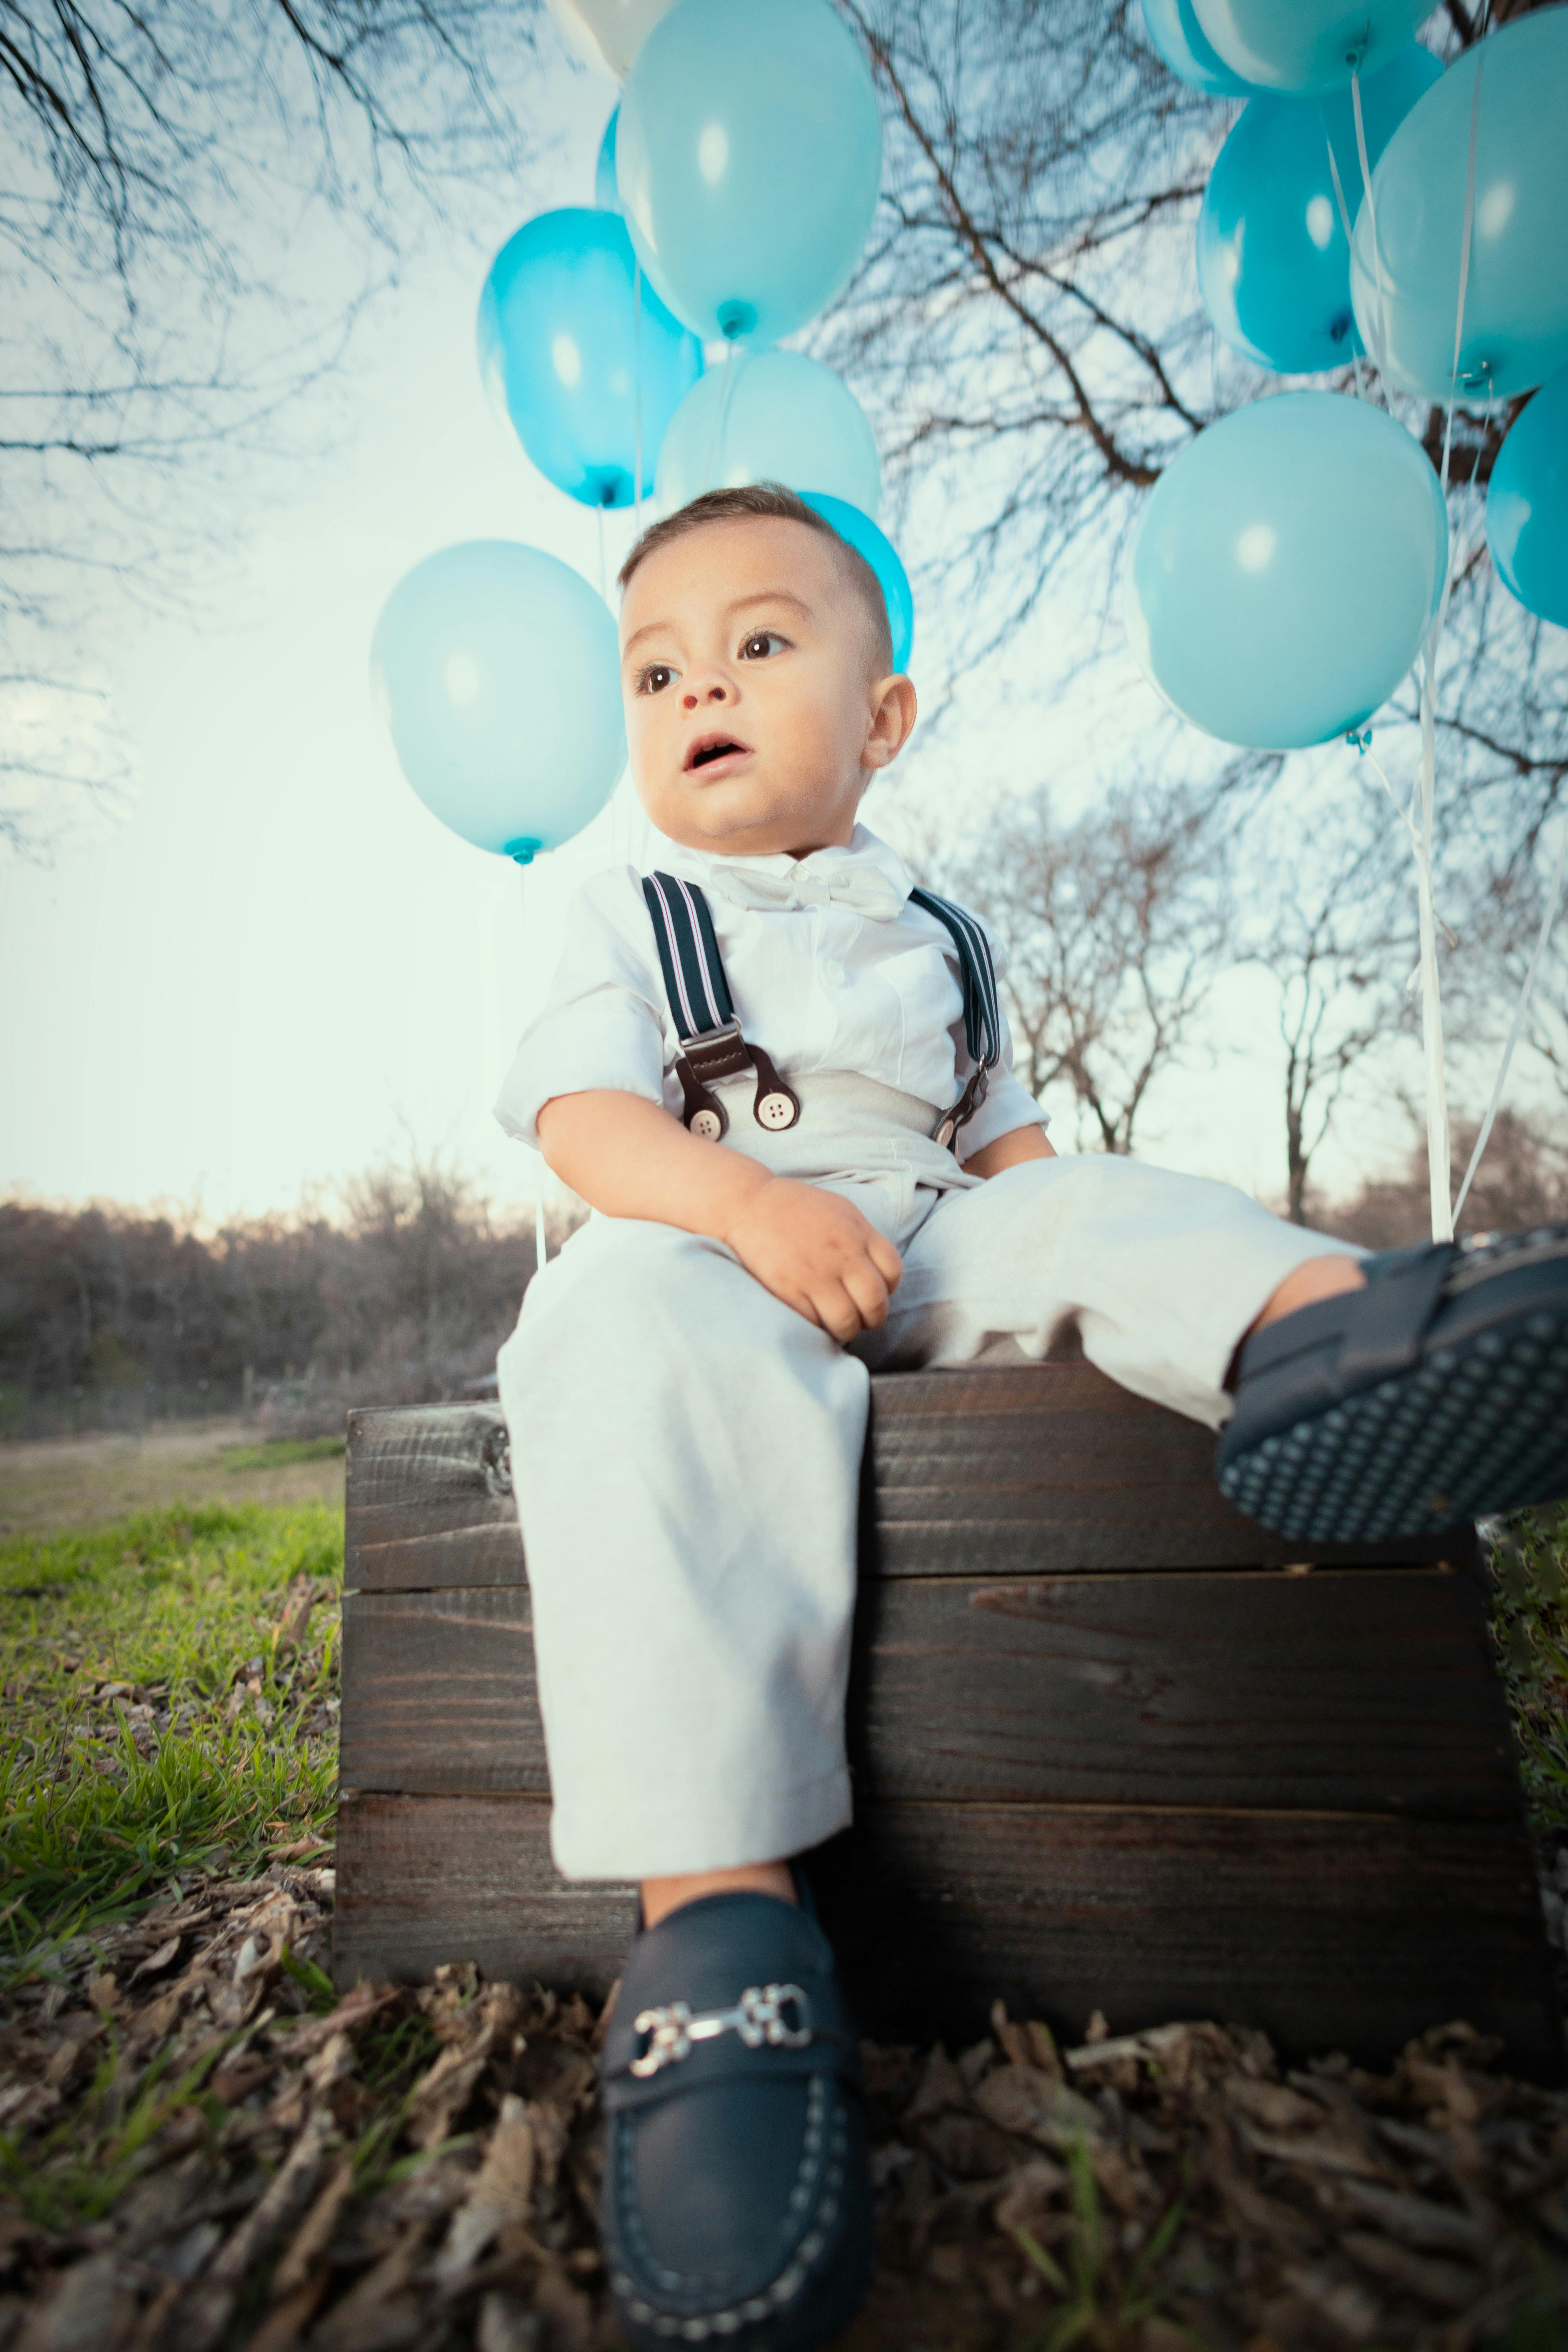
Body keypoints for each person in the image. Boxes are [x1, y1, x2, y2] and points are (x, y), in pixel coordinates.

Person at [493, 483, 1568, 2352]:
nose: (702, 689)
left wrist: (1079, 1262)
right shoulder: (632, 908)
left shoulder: (944, 932)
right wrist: (742, 1207)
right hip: (715, 1239)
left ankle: (1324, 1337)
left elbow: (1012, 1153)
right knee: (625, 1344)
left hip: (922, 1237)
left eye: (761, 643)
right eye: (657, 669)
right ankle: (719, 1911)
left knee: (1099, 1201)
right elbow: (584, 1125)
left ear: (883, 715)